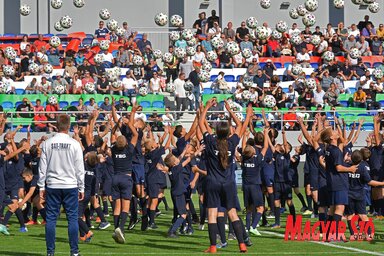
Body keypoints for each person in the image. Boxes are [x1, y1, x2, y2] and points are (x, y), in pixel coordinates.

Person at [198, 99, 251, 253]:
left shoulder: (210, 141)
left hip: (212, 182)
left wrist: (207, 107)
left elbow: (201, 123)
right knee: (232, 213)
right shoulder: (232, 142)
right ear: (229, 132)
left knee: (212, 214)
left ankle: (213, 246)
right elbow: (241, 126)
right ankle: (241, 244)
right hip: (228, 183)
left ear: (215, 131)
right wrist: (230, 110)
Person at [38, 114, 85, 256]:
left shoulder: (47, 143)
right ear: (69, 126)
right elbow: (79, 168)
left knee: (51, 219)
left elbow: (42, 167)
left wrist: (41, 186)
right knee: (72, 219)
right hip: (70, 184)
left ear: (56, 126)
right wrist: (81, 187)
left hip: (53, 184)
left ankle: (50, 252)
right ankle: (74, 252)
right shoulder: (75, 144)